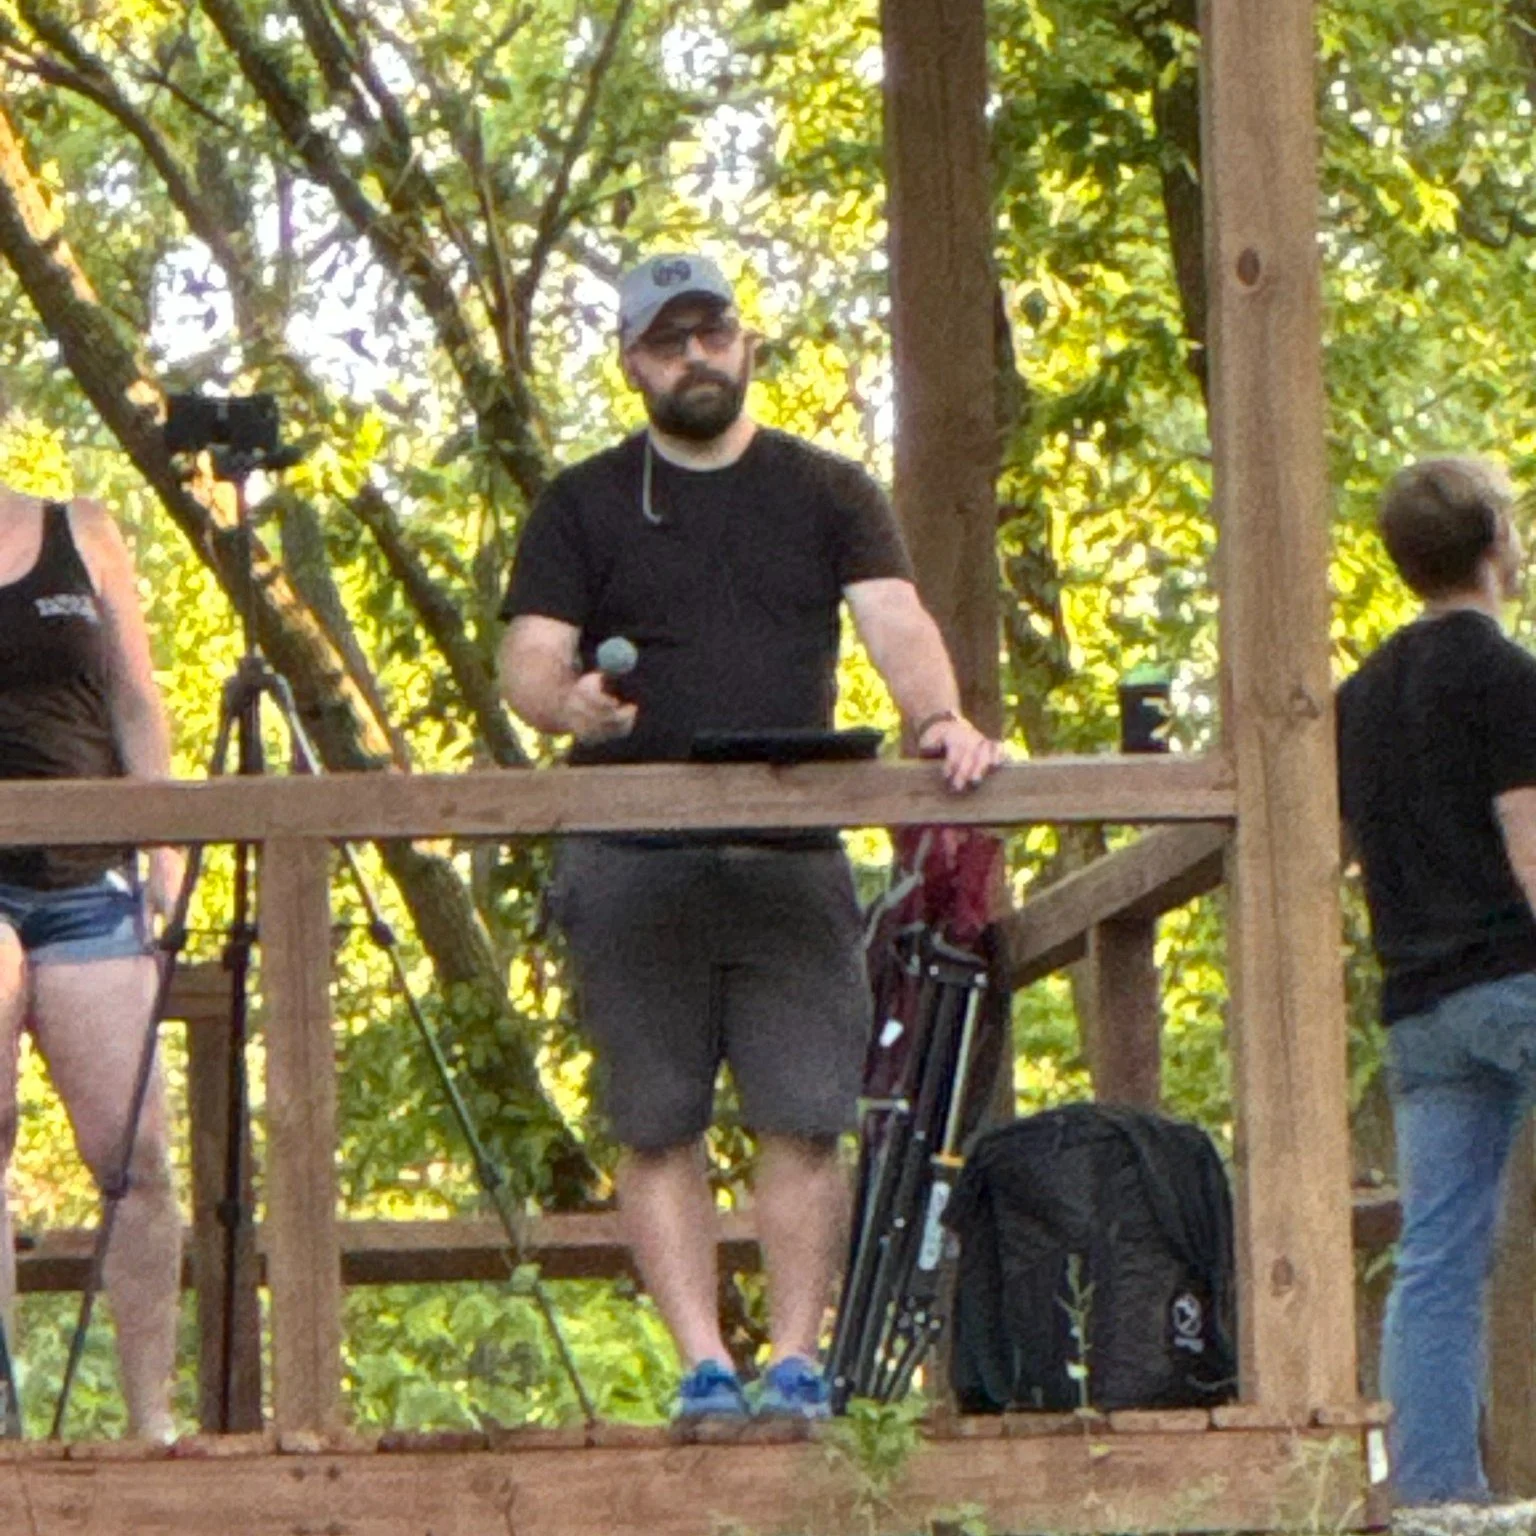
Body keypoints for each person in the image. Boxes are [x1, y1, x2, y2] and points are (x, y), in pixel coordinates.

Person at [498, 252, 1004, 1420]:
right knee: (655, 1121)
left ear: (746, 344)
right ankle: (702, 1367)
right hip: (630, 854)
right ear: (633, 364)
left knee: (807, 1116)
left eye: (712, 333)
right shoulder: (582, 503)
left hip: (790, 851)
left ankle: (794, 1362)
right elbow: (530, 655)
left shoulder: (828, 491)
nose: (696, 357)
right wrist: (567, 703)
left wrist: (939, 720)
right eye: (668, 341)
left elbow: (895, 620)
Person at [1336, 457, 1536, 1507]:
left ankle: (1433, 1498)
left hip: (1418, 1004)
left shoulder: (1357, 700)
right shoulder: (1509, 678)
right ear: (1497, 540)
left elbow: (1337, 853)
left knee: (1438, 1256)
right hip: (1515, 980)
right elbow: (1529, 844)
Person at [0, 484, 184, 1441]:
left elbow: (136, 701)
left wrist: (166, 852)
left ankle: (153, 1423)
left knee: (136, 1154)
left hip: (89, 878)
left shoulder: (80, 530)